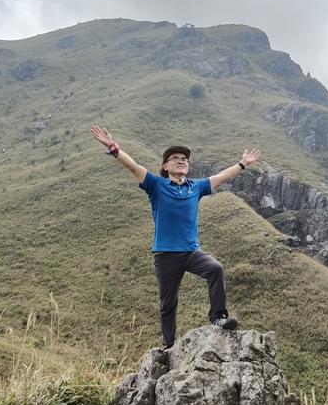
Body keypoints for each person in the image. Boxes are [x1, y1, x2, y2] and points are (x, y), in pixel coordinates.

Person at [90, 125, 262, 347]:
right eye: (175, 158)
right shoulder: (156, 185)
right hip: (166, 254)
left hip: (191, 251)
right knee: (168, 302)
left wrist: (242, 164)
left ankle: (218, 318)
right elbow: (133, 166)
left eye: (184, 159)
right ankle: (168, 345)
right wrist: (113, 147)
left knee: (216, 269)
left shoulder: (196, 187)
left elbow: (220, 177)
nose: (181, 161)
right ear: (165, 166)